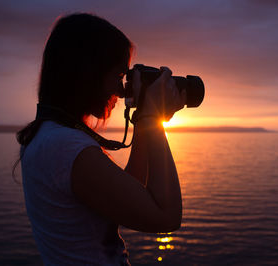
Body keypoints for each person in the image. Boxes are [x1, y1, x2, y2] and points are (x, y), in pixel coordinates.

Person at [13, 13, 185, 265]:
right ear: (87, 74)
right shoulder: (66, 148)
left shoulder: (49, 137)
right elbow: (166, 216)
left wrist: (143, 122)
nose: (120, 90)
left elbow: (128, 194)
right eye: (117, 76)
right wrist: (153, 118)